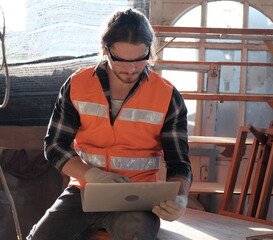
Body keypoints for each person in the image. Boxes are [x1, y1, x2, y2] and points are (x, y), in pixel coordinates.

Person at [27, 7, 192, 240]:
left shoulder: (167, 95)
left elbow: (179, 162)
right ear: (105, 50)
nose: (132, 69)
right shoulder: (77, 85)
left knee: (135, 235)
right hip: (85, 190)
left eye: (140, 59)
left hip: (139, 198)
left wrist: (181, 198)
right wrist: (93, 175)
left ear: (149, 51)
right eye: (122, 61)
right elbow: (54, 145)